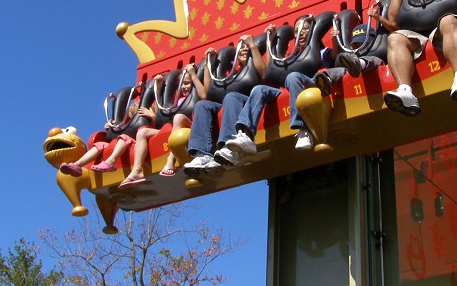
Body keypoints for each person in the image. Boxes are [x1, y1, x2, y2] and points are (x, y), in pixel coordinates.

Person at [223, 15, 321, 159]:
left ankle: (302, 129)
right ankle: (245, 135)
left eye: (305, 29)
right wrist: (271, 41)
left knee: (293, 76)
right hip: (285, 89)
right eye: (296, 31)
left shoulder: (319, 50)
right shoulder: (289, 56)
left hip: (308, 85)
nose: (300, 33)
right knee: (258, 90)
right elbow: (270, 71)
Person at [183, 35, 265, 173]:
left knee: (231, 97)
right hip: (229, 105)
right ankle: (202, 154)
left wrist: (252, 45)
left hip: (250, 102)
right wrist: (209, 63)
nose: (243, 50)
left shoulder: (255, 63)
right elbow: (208, 93)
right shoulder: (231, 74)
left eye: (246, 48)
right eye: (241, 48)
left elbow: (263, 73)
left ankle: (229, 148)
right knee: (202, 105)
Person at [117, 64, 208, 188]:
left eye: (187, 83)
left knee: (178, 117)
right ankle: (137, 170)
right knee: (142, 132)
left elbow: (204, 95)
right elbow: (164, 117)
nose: (185, 87)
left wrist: (193, 75)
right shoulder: (176, 101)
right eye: (182, 84)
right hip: (172, 132)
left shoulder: (194, 96)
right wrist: (159, 88)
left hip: (190, 127)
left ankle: (171, 160)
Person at [59, 92, 149, 177]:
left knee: (123, 138)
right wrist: (110, 128)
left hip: (135, 142)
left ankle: (111, 161)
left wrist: (151, 115)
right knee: (100, 144)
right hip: (120, 143)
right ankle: (77, 166)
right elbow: (118, 131)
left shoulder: (148, 120)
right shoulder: (127, 124)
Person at [313, 23, 384, 96]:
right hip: (355, 72)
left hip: (374, 67)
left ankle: (360, 63)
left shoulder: (379, 53)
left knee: (375, 60)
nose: (360, 47)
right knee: (342, 70)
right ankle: (327, 80)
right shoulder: (352, 60)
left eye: (362, 43)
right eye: (356, 45)